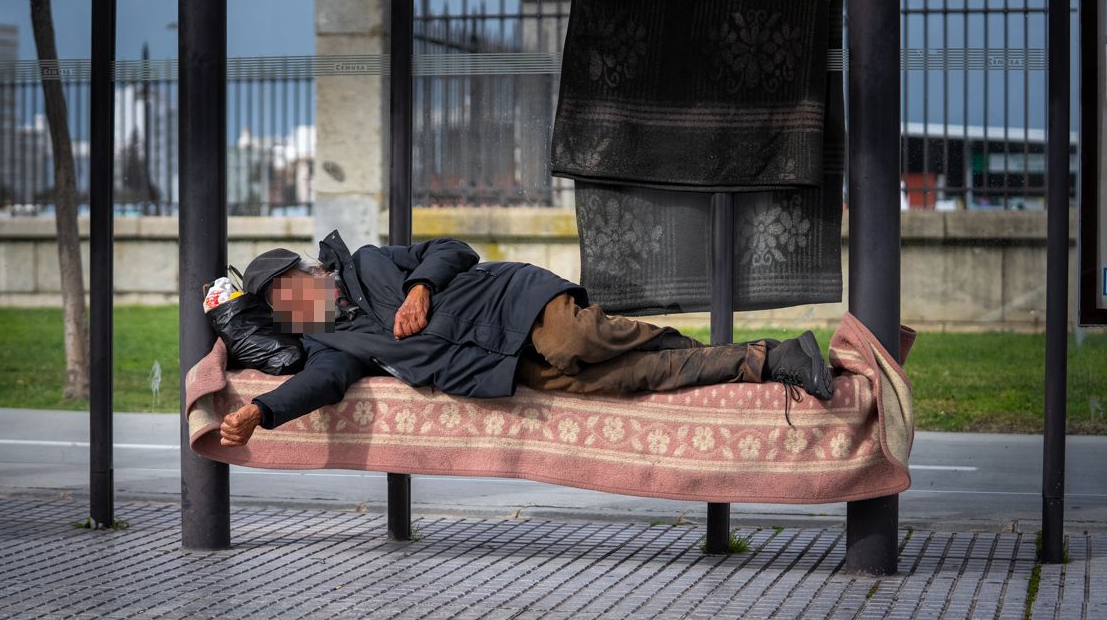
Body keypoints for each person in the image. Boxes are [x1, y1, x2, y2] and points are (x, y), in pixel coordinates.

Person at [219, 230, 833, 447]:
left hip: (518, 301)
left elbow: (454, 249)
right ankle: (774, 358)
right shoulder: (334, 346)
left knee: (577, 343)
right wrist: (260, 411)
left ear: (310, 274)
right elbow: (319, 382)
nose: (293, 304)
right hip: (497, 368)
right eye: (280, 307)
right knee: (626, 378)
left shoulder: (374, 263)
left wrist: (420, 289)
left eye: (289, 288)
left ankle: (693, 342)